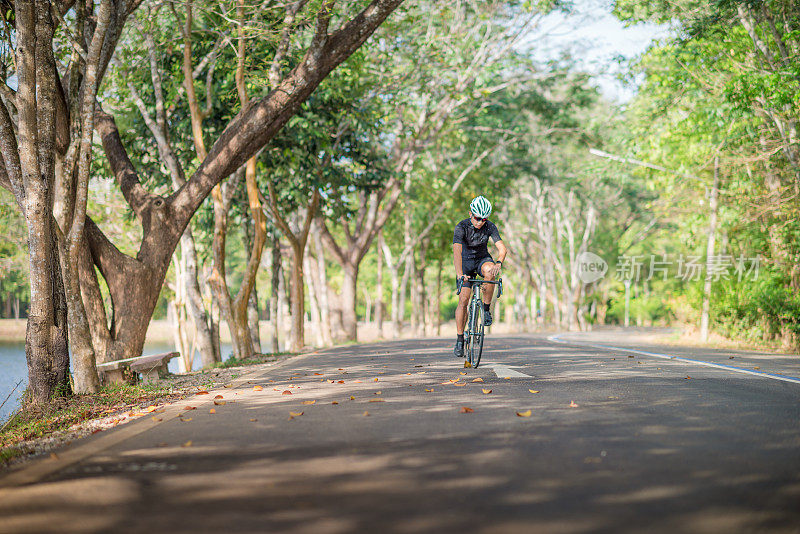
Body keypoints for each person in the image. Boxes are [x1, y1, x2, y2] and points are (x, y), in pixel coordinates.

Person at [452, 196, 507, 358]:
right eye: (477, 218)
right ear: (470, 213)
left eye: (484, 219)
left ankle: (486, 309)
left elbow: (502, 249)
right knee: (463, 299)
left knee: (490, 271)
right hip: (465, 263)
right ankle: (460, 339)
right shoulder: (461, 227)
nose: (480, 222)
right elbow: (457, 252)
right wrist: (460, 274)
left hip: (482, 260)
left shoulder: (490, 226)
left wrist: (498, 263)